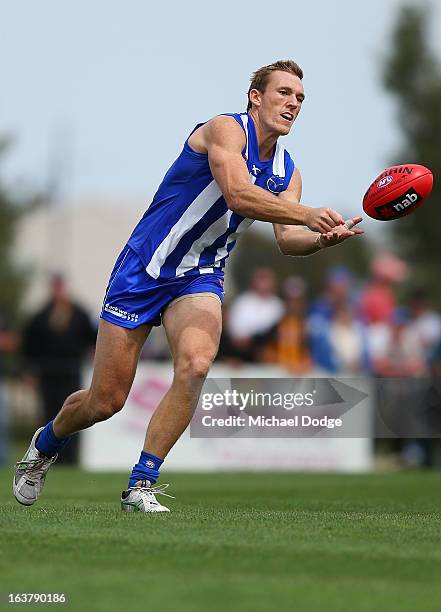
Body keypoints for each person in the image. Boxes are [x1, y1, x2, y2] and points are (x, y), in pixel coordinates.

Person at [14, 59, 363, 512]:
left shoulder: (287, 170)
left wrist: (319, 240)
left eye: (300, 97)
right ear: (256, 97)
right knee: (106, 401)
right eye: (283, 92)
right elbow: (237, 193)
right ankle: (46, 442)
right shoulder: (225, 130)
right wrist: (305, 214)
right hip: (144, 269)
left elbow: (288, 240)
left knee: (197, 365)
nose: (293, 102)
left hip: (201, 275)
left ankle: (141, 483)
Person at [21, 275, 97, 464]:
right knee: (49, 415)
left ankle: (70, 460)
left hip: (71, 371)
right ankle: (46, 457)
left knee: (73, 413)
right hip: (48, 373)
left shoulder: (79, 313)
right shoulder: (40, 316)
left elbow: (93, 338)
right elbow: (28, 347)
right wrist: (28, 371)